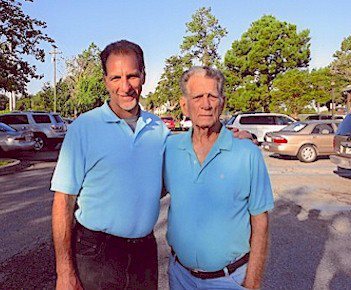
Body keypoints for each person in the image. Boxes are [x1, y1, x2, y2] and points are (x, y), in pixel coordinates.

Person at [51, 40, 169, 290]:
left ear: (144, 76)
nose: (125, 87)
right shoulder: (84, 127)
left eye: (132, 76)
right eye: (116, 77)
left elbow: (175, 178)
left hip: (144, 254)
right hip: (97, 254)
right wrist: (64, 273)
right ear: (105, 80)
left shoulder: (158, 129)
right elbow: (63, 202)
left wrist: (226, 140)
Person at [164, 66, 274, 289]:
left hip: (230, 280)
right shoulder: (169, 149)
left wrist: (252, 284)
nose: (205, 104)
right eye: (197, 97)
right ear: (184, 105)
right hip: (180, 277)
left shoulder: (248, 154)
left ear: (221, 103)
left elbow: (260, 223)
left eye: (212, 96)